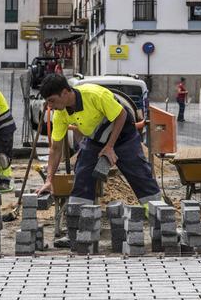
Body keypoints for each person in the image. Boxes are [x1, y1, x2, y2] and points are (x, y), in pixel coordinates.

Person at [35, 74, 161, 222]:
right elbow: (55, 149)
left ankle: (161, 220)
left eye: (52, 100)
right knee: (82, 174)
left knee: (140, 174)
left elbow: (121, 114)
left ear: (64, 92)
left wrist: (110, 147)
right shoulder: (60, 114)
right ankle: (79, 228)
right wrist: (49, 180)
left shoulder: (94, 95)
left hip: (124, 137)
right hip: (95, 140)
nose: (49, 106)